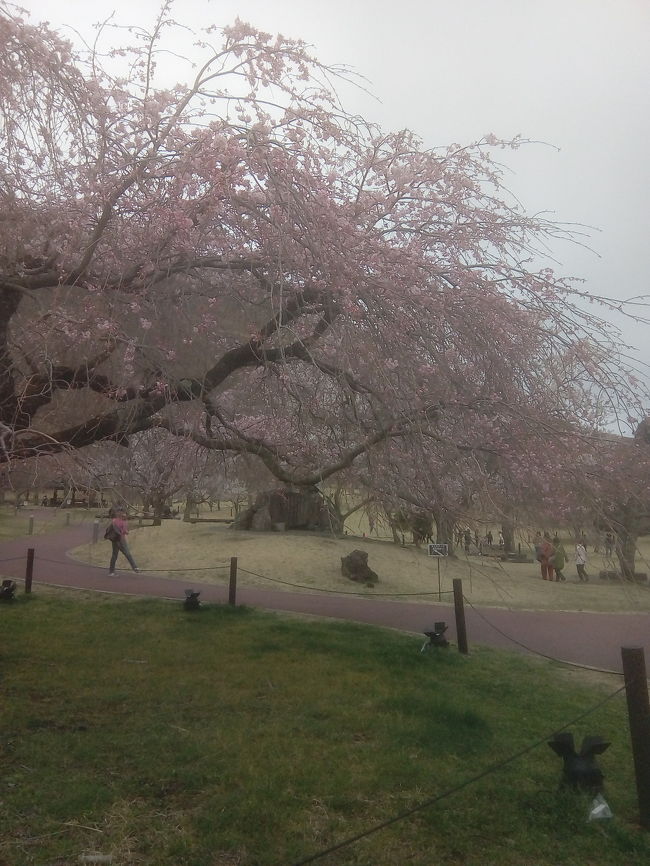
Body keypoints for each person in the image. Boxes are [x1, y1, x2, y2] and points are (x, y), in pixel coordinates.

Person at [107, 510, 140, 576]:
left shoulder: (114, 520)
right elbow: (125, 531)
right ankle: (135, 567)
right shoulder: (124, 522)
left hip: (114, 539)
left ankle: (111, 571)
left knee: (114, 555)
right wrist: (127, 532)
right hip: (121, 539)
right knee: (127, 553)